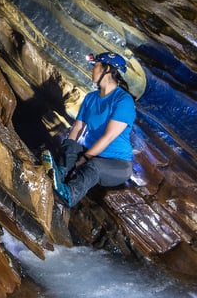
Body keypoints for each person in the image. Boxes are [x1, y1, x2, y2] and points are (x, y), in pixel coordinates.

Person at [53, 51, 140, 206]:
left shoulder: (123, 100)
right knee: (70, 144)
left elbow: (108, 137)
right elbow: (77, 128)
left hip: (116, 163)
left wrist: (85, 158)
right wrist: (69, 153)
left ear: (107, 69)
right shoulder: (91, 97)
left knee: (94, 166)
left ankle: (70, 195)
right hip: (89, 150)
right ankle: (58, 175)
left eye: (95, 66)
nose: (92, 69)